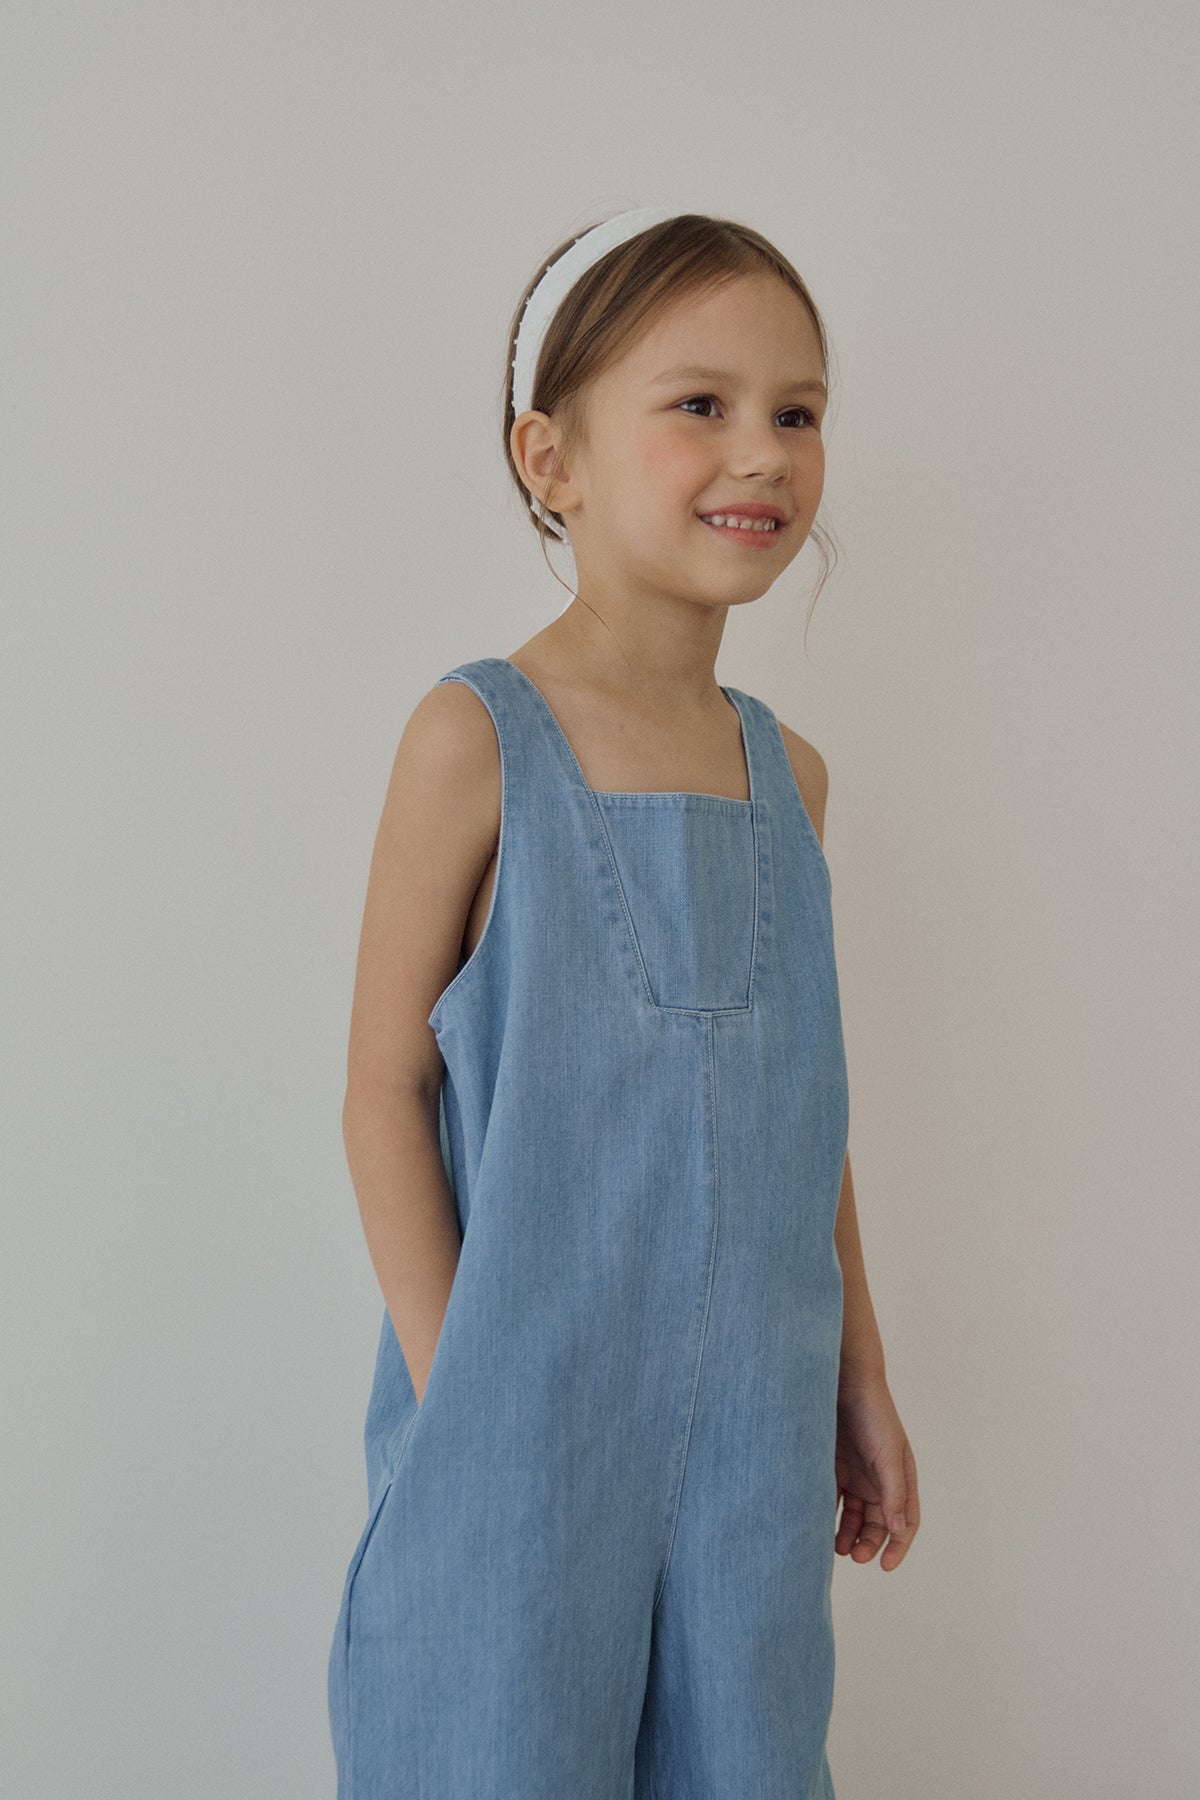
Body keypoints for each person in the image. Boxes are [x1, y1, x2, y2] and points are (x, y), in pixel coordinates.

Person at [327, 205, 920, 1799]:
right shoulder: (476, 739)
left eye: (798, 412)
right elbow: (382, 1089)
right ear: (553, 458)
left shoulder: (791, 779)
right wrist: (465, 1394)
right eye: (700, 404)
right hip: (520, 1440)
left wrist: (859, 1377)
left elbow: (805, 1120)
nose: (763, 452)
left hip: (752, 1455)